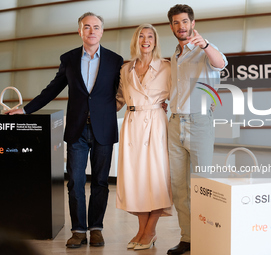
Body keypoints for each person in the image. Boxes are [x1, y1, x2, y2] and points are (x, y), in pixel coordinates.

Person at [5, 12, 124, 248]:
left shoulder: (115, 60)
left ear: (102, 31)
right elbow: (52, 89)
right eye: (86, 27)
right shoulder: (69, 59)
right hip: (77, 130)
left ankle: (96, 229)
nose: (92, 31)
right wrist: (26, 110)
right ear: (79, 31)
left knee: (100, 182)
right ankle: (79, 230)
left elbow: (128, 89)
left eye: (96, 27)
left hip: (104, 129)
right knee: (75, 182)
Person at [166, 4, 228, 255]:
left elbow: (221, 62)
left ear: (193, 23)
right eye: (176, 22)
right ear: (171, 26)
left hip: (199, 122)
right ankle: (188, 238)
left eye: (184, 21)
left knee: (202, 184)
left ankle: (208, 237)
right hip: (174, 122)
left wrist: (204, 45)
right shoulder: (175, 55)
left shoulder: (204, 49)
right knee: (180, 187)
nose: (181, 26)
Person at [115, 23, 172, 250]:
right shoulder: (126, 69)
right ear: (135, 41)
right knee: (135, 179)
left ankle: (150, 231)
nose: (146, 40)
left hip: (155, 123)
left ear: (155, 41)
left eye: (150, 36)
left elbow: (180, 92)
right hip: (131, 124)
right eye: (141, 36)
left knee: (156, 177)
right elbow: (119, 99)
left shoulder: (167, 67)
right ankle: (141, 230)